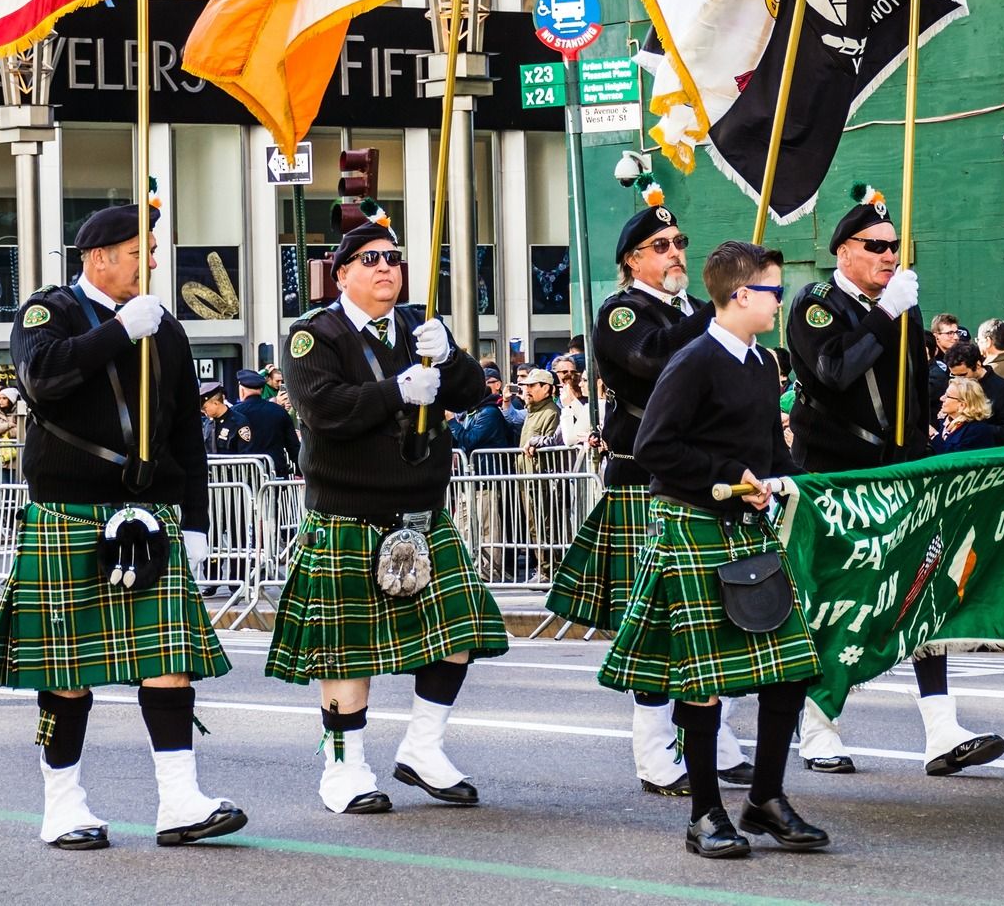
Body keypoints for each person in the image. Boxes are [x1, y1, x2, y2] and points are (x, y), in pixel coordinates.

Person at [0, 202, 245, 850]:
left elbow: (185, 434)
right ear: (99, 257)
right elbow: (43, 378)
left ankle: (180, 801)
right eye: (139, 250)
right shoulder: (50, 312)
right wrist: (119, 331)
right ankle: (62, 806)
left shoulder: (165, 327)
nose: (151, 259)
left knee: (168, 661)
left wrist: (196, 523)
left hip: (149, 510)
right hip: (67, 511)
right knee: (64, 672)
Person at [268, 204, 506, 814]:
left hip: (421, 512)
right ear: (341, 273)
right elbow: (323, 408)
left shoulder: (418, 328)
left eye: (394, 260)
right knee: (348, 651)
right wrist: (395, 389)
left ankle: (423, 748)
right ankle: (343, 767)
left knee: (461, 632)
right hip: (351, 512)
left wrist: (449, 355)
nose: (387, 269)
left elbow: (475, 393)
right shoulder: (313, 333)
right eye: (371, 260)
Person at [599, 241, 829, 861]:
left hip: (746, 526)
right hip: (692, 523)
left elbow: (767, 448)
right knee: (702, 678)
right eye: (774, 292)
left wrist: (783, 478)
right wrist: (728, 473)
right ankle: (705, 813)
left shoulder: (762, 364)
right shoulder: (695, 360)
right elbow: (654, 446)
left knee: (791, 668)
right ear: (742, 296)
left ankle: (766, 798)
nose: (781, 302)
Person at [783, 185, 1003, 779]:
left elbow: (912, 388)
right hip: (840, 477)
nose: (888, 255)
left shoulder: (901, 306)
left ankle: (941, 728)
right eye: (875, 245)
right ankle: (817, 726)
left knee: (922, 588)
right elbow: (834, 372)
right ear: (844, 250)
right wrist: (885, 316)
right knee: (840, 599)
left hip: (902, 472)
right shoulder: (816, 302)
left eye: (894, 246)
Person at [548, 186, 735, 796]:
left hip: (701, 480)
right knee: (659, 627)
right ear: (632, 260)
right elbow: (655, 364)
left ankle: (717, 739)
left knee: (712, 619)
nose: (676, 252)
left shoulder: (685, 314)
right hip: (643, 485)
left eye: (680, 243)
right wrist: (715, 313)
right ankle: (654, 752)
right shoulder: (623, 313)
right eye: (662, 246)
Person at [943, 341, 1004, 445]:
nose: (958, 380)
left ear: (977, 365)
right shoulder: (955, 385)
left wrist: (974, 430)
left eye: (963, 375)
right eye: (954, 375)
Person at [226, 369, 297, 477]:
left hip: (243, 476)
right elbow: (293, 446)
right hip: (275, 474)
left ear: (242, 390)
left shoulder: (233, 413)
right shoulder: (279, 411)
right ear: (262, 389)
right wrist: (301, 471)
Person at [934, 377, 1004, 455]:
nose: (941, 398)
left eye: (947, 396)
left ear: (962, 405)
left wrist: (933, 435)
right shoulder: (947, 422)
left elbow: (953, 459)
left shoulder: (977, 431)